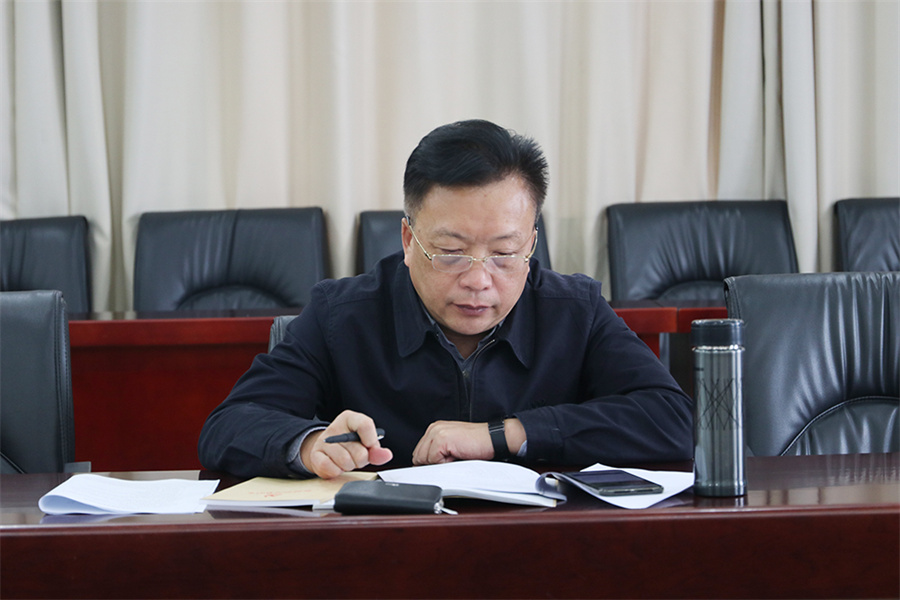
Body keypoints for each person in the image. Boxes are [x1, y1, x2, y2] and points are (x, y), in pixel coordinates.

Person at [198, 119, 692, 479]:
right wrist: (309, 446)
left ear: (531, 244)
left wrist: (506, 434)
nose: (478, 280)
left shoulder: (574, 309)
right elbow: (227, 426)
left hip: (538, 552)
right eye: (451, 253)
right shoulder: (342, 314)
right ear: (408, 241)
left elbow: (675, 420)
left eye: (504, 254)